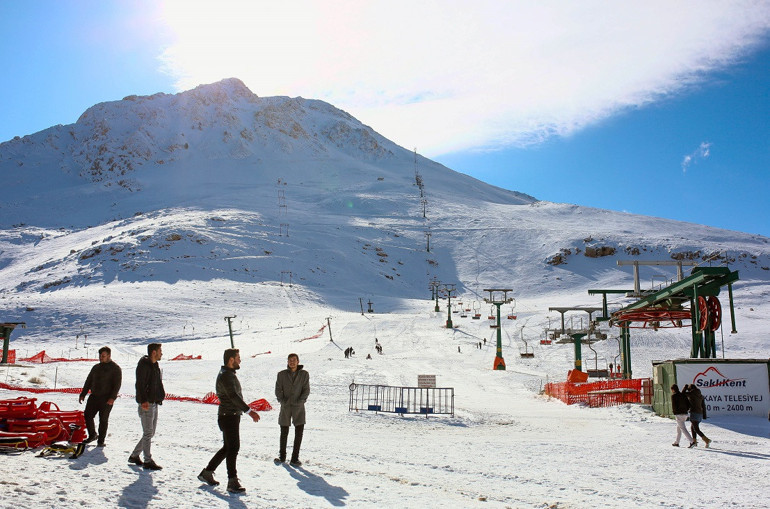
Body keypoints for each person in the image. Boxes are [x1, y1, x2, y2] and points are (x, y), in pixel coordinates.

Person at [198, 349, 260, 493]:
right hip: (228, 416)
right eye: (238, 357)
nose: (240, 360)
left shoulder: (228, 374)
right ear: (231, 360)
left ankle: (207, 472)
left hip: (230, 415)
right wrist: (249, 411)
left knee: (228, 447)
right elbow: (233, 396)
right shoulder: (226, 375)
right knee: (233, 448)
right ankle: (232, 481)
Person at [129, 343, 165, 470]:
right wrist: (143, 400)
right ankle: (147, 460)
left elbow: (157, 383)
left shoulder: (155, 365)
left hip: (154, 402)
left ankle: (134, 455)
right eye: (160, 351)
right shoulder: (144, 365)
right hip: (146, 404)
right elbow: (140, 384)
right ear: (154, 352)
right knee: (148, 433)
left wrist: (160, 396)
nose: (161, 353)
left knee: (150, 433)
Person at [79, 346, 122, 446]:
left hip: (106, 398)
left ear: (109, 356)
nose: (101, 358)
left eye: (103, 356)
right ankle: (92, 435)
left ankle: (101, 441)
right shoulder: (96, 367)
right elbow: (88, 381)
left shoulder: (115, 368)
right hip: (94, 396)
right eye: (100, 356)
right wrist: (83, 394)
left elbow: (117, 385)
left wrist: (112, 398)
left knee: (103, 419)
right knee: (88, 415)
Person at [274, 353, 310, 466]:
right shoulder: (281, 374)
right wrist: (282, 401)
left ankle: (295, 458)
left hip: (299, 407)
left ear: (298, 361)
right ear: (287, 362)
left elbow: (306, 390)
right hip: (285, 407)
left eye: (294, 360)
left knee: (299, 432)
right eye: (290, 360)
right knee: (284, 432)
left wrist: (301, 401)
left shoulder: (304, 374)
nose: (292, 362)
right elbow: (278, 390)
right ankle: (282, 457)